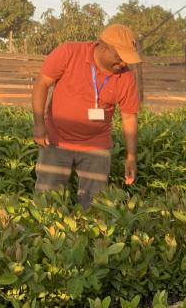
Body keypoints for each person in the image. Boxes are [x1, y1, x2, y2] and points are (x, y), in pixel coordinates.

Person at [31, 24, 141, 209]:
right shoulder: (69, 52)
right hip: (56, 140)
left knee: (95, 205)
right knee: (47, 201)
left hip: (96, 145)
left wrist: (131, 156)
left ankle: (87, 235)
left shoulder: (126, 77)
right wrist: (39, 124)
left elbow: (129, 117)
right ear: (103, 46)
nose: (122, 63)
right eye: (119, 57)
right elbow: (42, 84)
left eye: (126, 59)